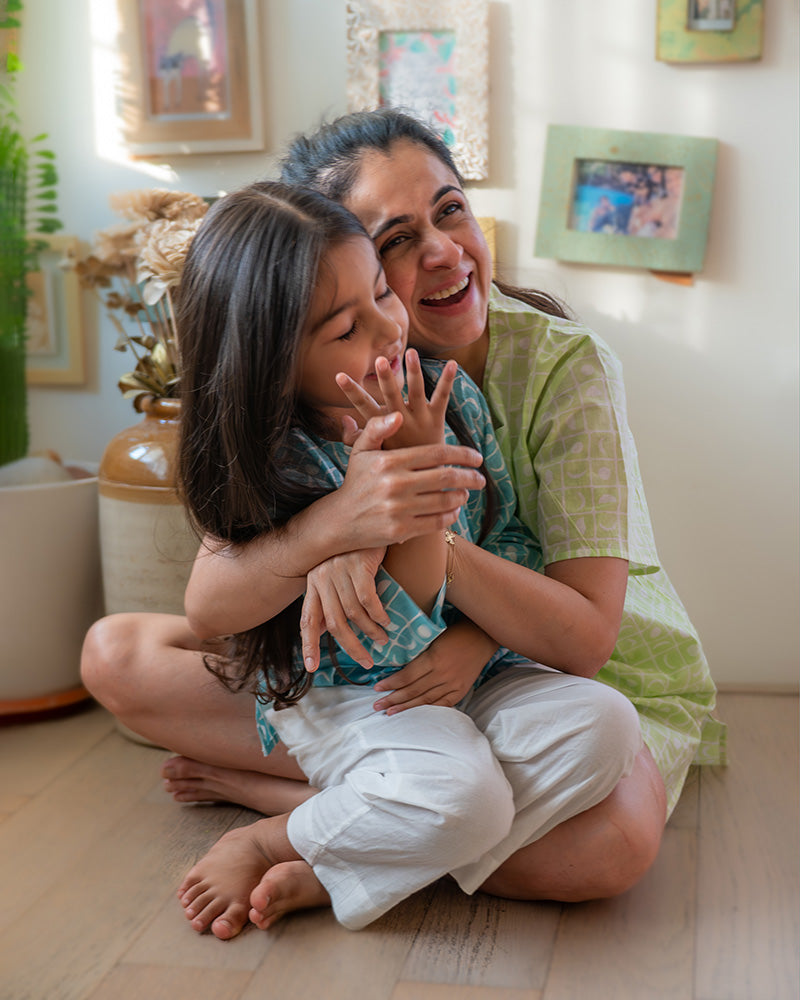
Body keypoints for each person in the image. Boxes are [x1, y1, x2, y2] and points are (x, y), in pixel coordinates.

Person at [80, 108, 724, 934]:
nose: (443, 255)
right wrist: (337, 527)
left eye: (451, 210)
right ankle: (369, 815)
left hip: (523, 664)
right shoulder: (288, 441)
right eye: (394, 243)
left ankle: (304, 825)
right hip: (362, 693)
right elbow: (250, 614)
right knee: (117, 656)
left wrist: (419, 530)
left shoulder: (481, 390)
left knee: (604, 820)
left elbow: (562, 615)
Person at [158, 180, 642, 933]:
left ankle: (348, 853)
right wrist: (368, 519)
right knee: (465, 799)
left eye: (384, 293)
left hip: (471, 673)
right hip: (355, 700)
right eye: (347, 328)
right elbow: (375, 639)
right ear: (273, 362)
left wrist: (474, 641)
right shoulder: (279, 461)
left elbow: (508, 536)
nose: (388, 328)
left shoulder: (450, 397)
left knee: (607, 724)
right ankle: (270, 839)